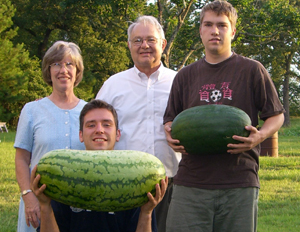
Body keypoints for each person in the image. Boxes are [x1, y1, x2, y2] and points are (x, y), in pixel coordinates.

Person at [163, 0, 285, 232]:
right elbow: (170, 119)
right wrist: (170, 133)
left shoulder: (252, 70)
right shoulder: (185, 76)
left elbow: (276, 115)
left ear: (233, 31)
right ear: (200, 30)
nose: (215, 31)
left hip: (239, 181)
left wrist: (259, 137)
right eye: (208, 24)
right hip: (191, 182)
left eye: (222, 25)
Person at [96, 15, 181, 232]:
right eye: (137, 40)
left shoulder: (180, 81)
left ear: (162, 44)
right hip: (122, 185)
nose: (144, 45)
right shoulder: (113, 85)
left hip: (171, 183)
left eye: (151, 40)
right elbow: (95, 129)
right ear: (129, 46)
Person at [30, 99, 168, 232]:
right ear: (81, 135)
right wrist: (45, 205)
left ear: (118, 134)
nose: (99, 130)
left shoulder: (137, 177)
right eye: (91, 125)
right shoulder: (62, 174)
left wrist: (146, 212)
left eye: (107, 124)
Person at [14, 41, 86, 232]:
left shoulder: (89, 111)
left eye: (69, 64)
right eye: (57, 64)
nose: (64, 70)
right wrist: (28, 196)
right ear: (49, 70)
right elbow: (21, 159)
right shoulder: (31, 110)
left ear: (77, 70)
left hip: (79, 205)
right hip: (39, 201)